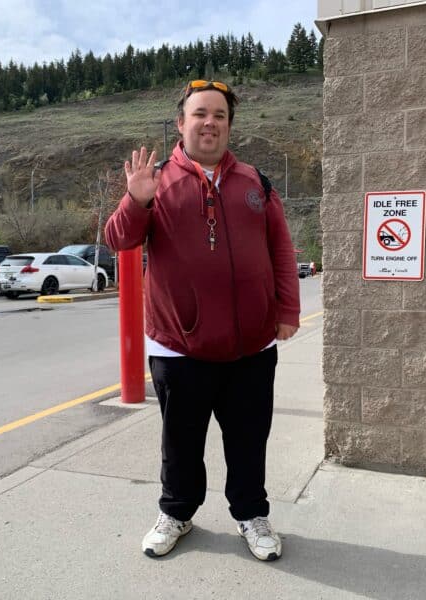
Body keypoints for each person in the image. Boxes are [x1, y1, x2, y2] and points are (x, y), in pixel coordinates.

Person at [104, 79, 300, 562]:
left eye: (219, 115)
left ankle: (251, 515)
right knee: (181, 442)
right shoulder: (155, 180)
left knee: (249, 440)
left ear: (229, 126)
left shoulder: (257, 182)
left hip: (251, 345)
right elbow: (119, 241)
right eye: (200, 114)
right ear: (181, 122)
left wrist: (287, 311)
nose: (209, 122)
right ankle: (177, 512)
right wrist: (138, 200)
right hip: (178, 345)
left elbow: (281, 249)